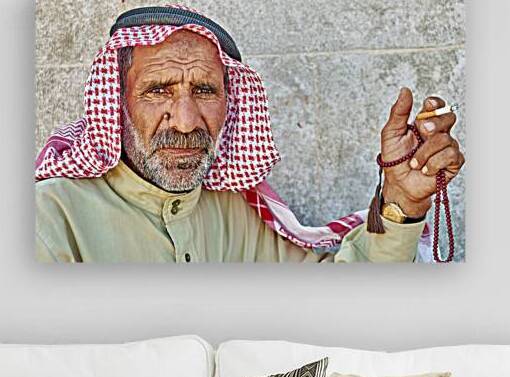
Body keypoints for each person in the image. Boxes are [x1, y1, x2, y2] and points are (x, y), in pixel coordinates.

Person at [35, 5, 464, 263]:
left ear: (231, 102)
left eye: (204, 91)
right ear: (117, 100)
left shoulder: (236, 212)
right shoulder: (50, 215)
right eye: (158, 91)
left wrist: (402, 201)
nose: (185, 122)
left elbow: (339, 300)